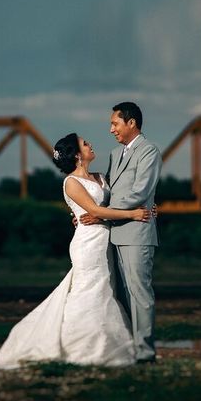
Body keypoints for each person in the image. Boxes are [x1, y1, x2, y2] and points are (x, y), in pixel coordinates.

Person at [0, 133, 155, 369]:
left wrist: (142, 207)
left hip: (106, 241)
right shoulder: (71, 182)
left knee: (106, 289)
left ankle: (109, 343)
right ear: (77, 155)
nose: (90, 144)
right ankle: (79, 346)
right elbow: (95, 211)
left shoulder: (101, 177)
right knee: (88, 290)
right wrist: (131, 215)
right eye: (85, 143)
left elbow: (113, 204)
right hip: (88, 243)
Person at [80, 102, 162, 363]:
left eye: (115, 123)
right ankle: (129, 348)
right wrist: (95, 210)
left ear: (131, 123)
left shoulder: (149, 151)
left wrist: (102, 211)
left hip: (137, 232)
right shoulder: (116, 154)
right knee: (121, 294)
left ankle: (145, 353)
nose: (111, 129)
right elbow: (111, 191)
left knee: (140, 293)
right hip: (114, 233)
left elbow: (140, 192)